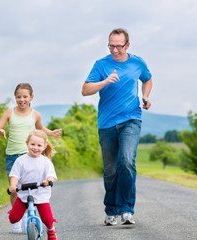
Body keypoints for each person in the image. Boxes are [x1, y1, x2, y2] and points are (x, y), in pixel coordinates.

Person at [81, 28, 153, 225]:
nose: (114, 50)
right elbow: (85, 90)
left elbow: (147, 78)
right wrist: (104, 81)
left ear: (127, 45)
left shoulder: (137, 62)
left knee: (127, 161)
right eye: (111, 46)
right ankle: (111, 209)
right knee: (111, 170)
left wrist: (145, 96)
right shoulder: (101, 65)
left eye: (118, 46)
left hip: (131, 118)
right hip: (106, 123)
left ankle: (127, 209)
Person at [0, 83, 61, 233]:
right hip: (12, 156)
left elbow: (40, 129)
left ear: (31, 97)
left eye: (25, 96)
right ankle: (19, 219)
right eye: (19, 97)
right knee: (15, 190)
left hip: (30, 155)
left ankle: (31, 212)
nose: (22, 99)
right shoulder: (9, 113)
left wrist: (51, 133)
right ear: (15, 98)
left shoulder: (35, 114)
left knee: (31, 188)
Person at [8, 130, 58, 240]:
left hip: (41, 194)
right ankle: (19, 219)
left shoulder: (45, 161)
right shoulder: (20, 160)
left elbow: (50, 175)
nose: (35, 147)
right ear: (27, 144)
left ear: (44, 147)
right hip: (24, 194)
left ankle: (51, 231)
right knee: (13, 218)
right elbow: (15, 175)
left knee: (47, 219)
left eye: (39, 145)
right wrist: (13, 186)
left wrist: (47, 180)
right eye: (32, 144)